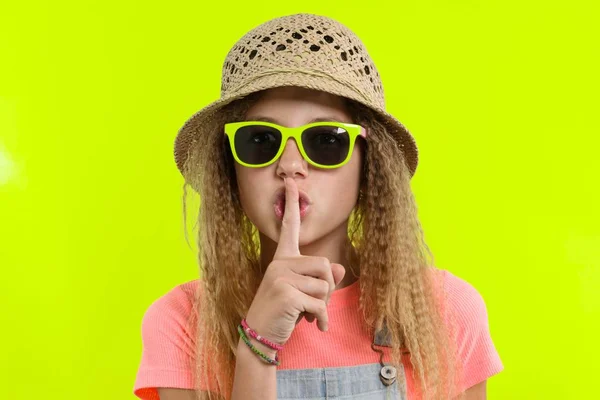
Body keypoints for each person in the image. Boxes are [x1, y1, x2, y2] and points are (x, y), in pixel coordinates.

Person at [133, 13, 503, 400]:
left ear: (370, 166)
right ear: (230, 170)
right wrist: (257, 348)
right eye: (260, 140)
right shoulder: (184, 322)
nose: (290, 166)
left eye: (326, 141)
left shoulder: (443, 311)